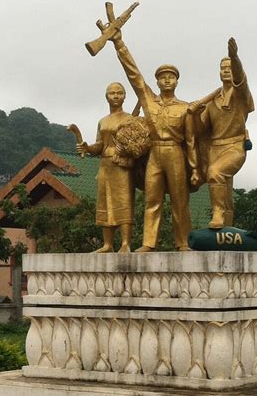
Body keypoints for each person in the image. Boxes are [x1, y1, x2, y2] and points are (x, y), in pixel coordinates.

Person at [108, 29, 200, 252]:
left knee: (180, 201)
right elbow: (134, 74)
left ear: (177, 81)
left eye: (171, 76)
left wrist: (195, 168)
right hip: (155, 155)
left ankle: (183, 242)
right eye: (162, 77)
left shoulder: (185, 107)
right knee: (152, 200)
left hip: (175, 153)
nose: (167, 79)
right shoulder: (149, 100)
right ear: (157, 81)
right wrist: (119, 43)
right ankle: (149, 243)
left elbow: (190, 140)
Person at [194, 38, 254, 228]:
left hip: (234, 146)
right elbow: (201, 129)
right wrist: (195, 114)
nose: (226, 70)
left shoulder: (240, 94)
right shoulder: (212, 101)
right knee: (225, 191)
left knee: (215, 172)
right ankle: (226, 225)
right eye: (222, 68)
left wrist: (234, 57)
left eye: (229, 67)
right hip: (215, 148)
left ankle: (217, 214)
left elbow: (240, 80)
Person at [76, 82, 134, 252]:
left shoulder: (130, 119)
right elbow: (100, 145)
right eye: (112, 93)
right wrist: (87, 147)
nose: (116, 96)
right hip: (105, 165)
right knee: (105, 202)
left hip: (121, 165)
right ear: (106, 96)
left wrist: (125, 150)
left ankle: (125, 243)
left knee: (123, 201)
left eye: (119, 92)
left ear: (124, 96)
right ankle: (107, 244)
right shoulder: (102, 121)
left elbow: (136, 144)